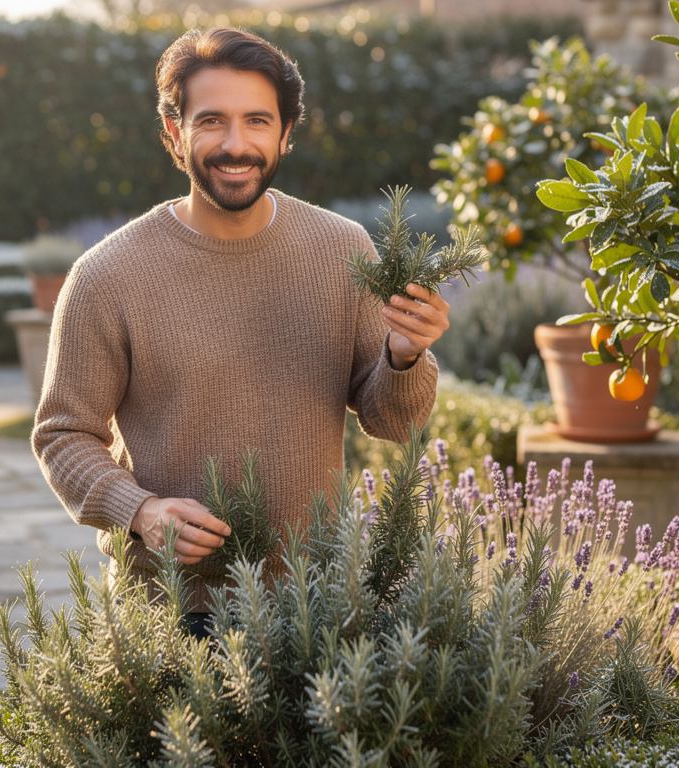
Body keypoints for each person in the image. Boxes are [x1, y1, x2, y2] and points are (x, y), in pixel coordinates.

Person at [32, 26, 451, 632]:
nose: (236, 143)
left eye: (257, 121)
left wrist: (405, 355)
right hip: (173, 608)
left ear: (285, 134)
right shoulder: (108, 274)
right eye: (211, 121)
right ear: (174, 134)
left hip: (318, 595)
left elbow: (395, 421)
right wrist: (141, 511)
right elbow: (62, 434)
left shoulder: (342, 249)